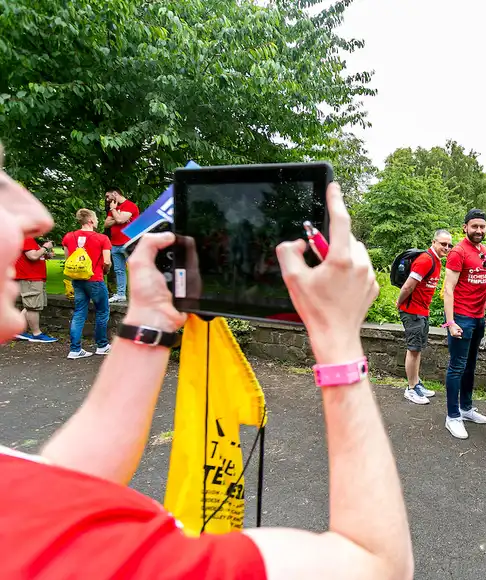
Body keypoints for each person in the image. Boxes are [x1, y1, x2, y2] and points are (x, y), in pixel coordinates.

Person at [0, 154, 415, 578]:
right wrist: (339, 340)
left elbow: (66, 484)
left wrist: (151, 318)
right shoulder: (116, 562)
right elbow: (376, 562)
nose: (36, 214)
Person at [442, 209, 486, 439]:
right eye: (474, 226)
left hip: (478, 317)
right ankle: (452, 416)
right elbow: (448, 289)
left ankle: (466, 408)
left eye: (482, 226)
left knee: (471, 365)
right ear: (465, 227)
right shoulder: (458, 252)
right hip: (461, 317)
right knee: (457, 366)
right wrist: (451, 322)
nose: (479, 231)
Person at [396, 229, 453, 404]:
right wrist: (399, 303)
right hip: (412, 310)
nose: (446, 247)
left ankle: (416, 383)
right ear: (434, 242)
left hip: (422, 311)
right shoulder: (425, 260)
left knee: (418, 349)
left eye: (449, 245)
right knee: (413, 349)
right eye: (443, 244)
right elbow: (408, 286)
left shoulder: (436, 261)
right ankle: (411, 388)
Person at [62, 209, 113, 359]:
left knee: (79, 313)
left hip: (77, 280)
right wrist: (106, 270)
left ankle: (75, 349)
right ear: (90, 220)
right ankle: (102, 345)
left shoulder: (68, 237)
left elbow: (68, 260)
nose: (97, 220)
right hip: (95, 279)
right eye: (96, 218)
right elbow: (107, 261)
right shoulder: (102, 238)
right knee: (102, 311)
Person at [14, 236, 58, 342]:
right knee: (32, 306)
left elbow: (34, 255)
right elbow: (32, 256)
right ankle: (36, 334)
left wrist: (45, 254)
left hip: (35, 276)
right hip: (30, 277)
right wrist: (45, 247)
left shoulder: (30, 239)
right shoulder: (26, 238)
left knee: (32, 304)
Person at [103, 187, 139, 303]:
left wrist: (114, 212)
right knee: (119, 270)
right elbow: (106, 224)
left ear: (115, 194)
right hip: (115, 243)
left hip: (129, 243)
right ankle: (121, 294)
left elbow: (119, 220)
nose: (107, 199)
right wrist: (117, 216)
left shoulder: (130, 205)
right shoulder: (114, 207)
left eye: (108, 196)